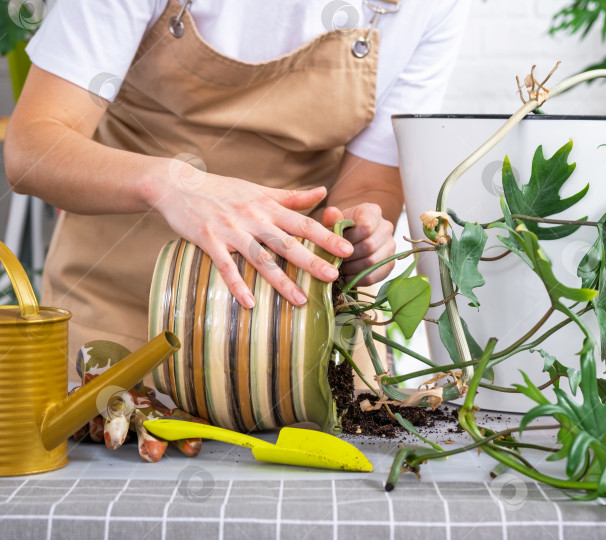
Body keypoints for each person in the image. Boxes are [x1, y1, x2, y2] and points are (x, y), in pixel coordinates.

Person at [5, 0, 469, 378]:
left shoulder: (428, 7)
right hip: (120, 326)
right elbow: (32, 150)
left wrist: (359, 235)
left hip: (300, 346)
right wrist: (173, 185)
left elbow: (370, 182)